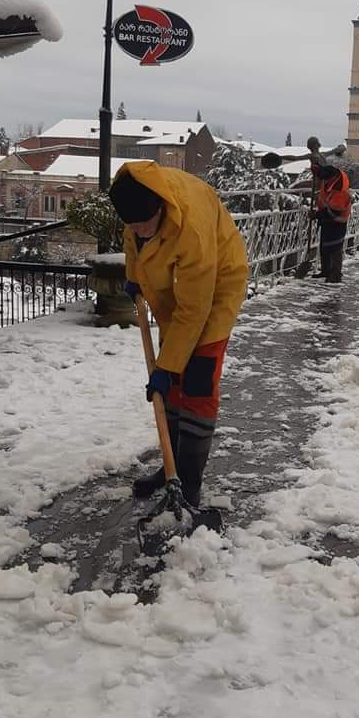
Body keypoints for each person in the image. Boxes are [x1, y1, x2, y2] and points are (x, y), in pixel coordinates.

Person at [108, 161, 248, 507]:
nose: (139, 231)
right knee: (171, 385)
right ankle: (170, 471)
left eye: (145, 225)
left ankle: (189, 480)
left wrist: (166, 368)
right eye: (133, 225)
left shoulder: (192, 230)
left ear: (160, 209)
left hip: (214, 291)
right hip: (175, 293)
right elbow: (132, 241)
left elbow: (195, 310)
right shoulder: (135, 194)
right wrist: (134, 276)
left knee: (197, 381)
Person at [312, 164, 352, 283]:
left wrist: (316, 215)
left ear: (333, 177)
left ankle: (335, 274)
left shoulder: (341, 191)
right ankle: (325, 271)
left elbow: (333, 211)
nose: (323, 182)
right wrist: (315, 170)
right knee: (324, 246)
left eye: (325, 179)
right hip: (326, 220)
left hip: (337, 220)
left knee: (335, 247)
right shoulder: (328, 182)